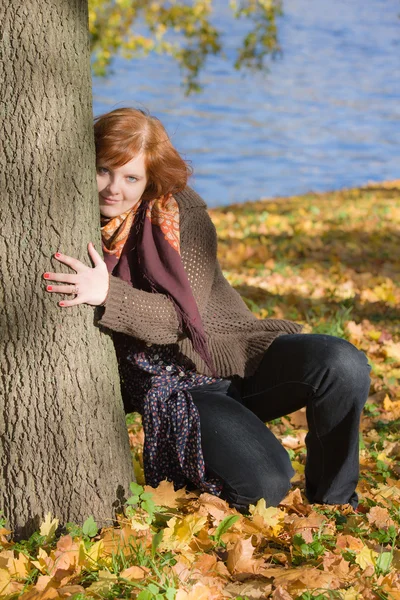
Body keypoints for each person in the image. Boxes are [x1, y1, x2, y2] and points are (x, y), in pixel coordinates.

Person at [43, 107, 371, 511]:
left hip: (237, 359)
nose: (114, 188)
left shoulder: (181, 213)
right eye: (104, 170)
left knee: (342, 363)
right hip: (179, 388)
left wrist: (109, 293)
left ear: (149, 179)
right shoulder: (69, 221)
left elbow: (182, 317)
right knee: (268, 488)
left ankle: (335, 502)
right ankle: (233, 446)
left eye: (131, 177)